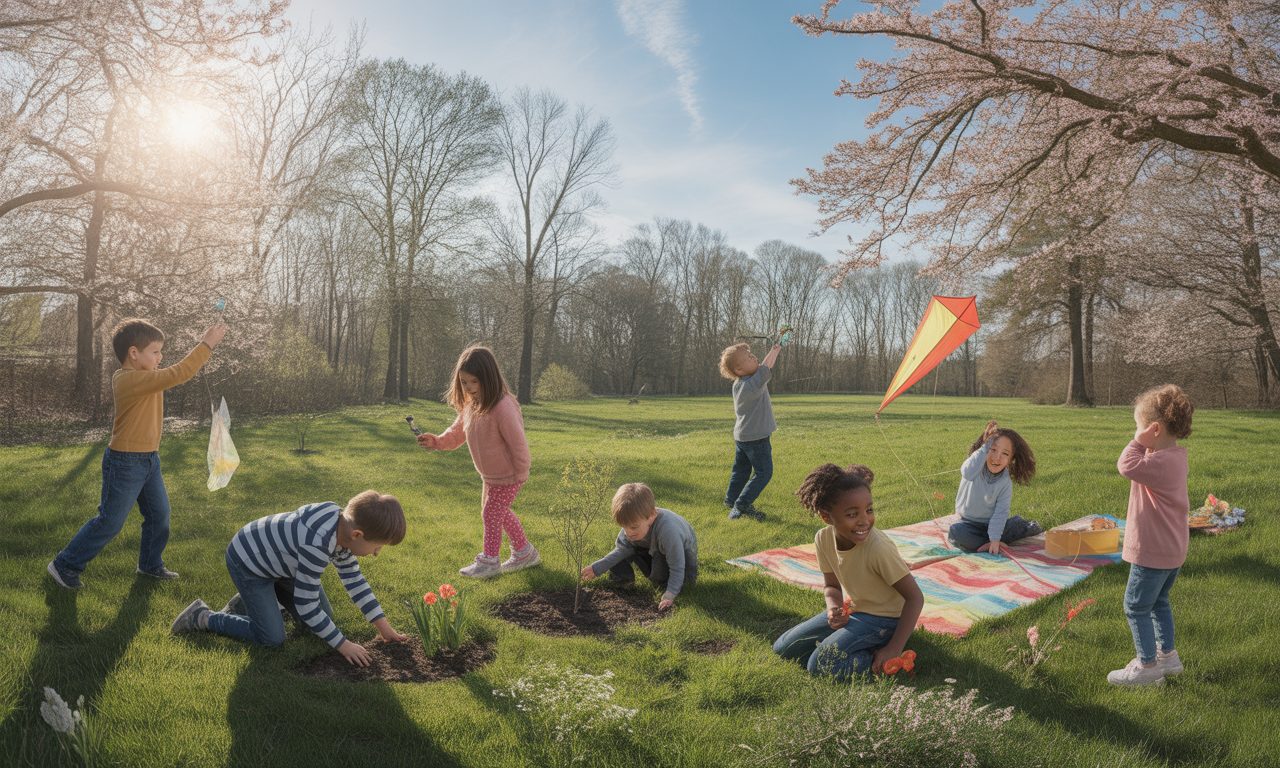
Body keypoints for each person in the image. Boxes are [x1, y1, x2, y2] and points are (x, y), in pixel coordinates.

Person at [48, 318, 227, 589]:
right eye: (155, 352)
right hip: (125, 462)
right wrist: (206, 344)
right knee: (110, 522)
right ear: (134, 353)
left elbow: (173, 373)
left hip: (148, 460)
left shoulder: (147, 378)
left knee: (160, 516)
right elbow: (179, 373)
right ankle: (64, 565)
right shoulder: (129, 380)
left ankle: (150, 564)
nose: (160, 357)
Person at [171, 491, 408, 666]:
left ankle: (249, 602)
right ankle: (202, 617)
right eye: (377, 547)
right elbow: (307, 606)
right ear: (357, 534)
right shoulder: (317, 544)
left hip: (284, 567)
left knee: (322, 621)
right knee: (272, 638)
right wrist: (343, 645)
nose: (376, 553)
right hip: (249, 564)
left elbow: (355, 582)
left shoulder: (343, 528)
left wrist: (384, 629)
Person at [773, 464, 923, 679]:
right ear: (826, 517)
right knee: (785, 648)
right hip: (856, 610)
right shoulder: (823, 539)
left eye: (869, 510)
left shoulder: (877, 548)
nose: (864, 520)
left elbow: (915, 598)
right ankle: (857, 646)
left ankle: (884, 661)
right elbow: (832, 586)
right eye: (852, 514)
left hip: (887, 619)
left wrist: (894, 648)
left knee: (821, 665)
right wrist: (834, 608)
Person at [417, 345, 538, 578]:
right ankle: (524, 552)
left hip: (509, 473)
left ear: (488, 378)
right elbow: (457, 432)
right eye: (464, 382)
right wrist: (438, 442)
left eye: (475, 382)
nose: (470, 388)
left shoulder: (502, 406)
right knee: (497, 512)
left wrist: (521, 472)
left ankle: (490, 562)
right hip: (490, 475)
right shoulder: (471, 406)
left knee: (491, 513)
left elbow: (518, 442)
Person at [1107, 384, 1194, 687]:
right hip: (1172, 551)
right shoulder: (1174, 457)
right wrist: (1145, 442)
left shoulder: (1154, 462)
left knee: (1136, 606)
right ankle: (1168, 657)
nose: (1137, 432)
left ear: (1153, 429)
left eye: (1139, 427)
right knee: (1159, 602)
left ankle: (1147, 666)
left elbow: (1126, 465)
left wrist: (1135, 441)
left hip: (1152, 552)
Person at [580, 482, 698, 610]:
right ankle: (624, 581)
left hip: (682, 563)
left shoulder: (668, 531)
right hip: (652, 549)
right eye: (624, 527)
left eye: (633, 527)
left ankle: (662, 581)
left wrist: (670, 595)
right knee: (623, 550)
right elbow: (621, 550)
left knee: (660, 583)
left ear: (652, 516)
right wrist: (596, 568)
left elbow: (677, 566)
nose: (628, 532)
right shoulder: (634, 524)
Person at [948, 420, 1041, 554]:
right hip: (967, 524)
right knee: (956, 532)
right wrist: (985, 447)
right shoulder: (975, 467)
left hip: (991, 523)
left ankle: (1022, 528)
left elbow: (1000, 512)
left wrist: (995, 539)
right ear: (985, 448)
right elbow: (966, 472)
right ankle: (988, 542)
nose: (997, 458)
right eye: (993, 449)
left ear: (1011, 459)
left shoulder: (1005, 482)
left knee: (1013, 526)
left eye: (1005, 454)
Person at [718, 339, 785, 520]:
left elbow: (761, 368)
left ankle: (730, 500)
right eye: (748, 357)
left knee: (740, 471)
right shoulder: (752, 384)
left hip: (742, 437)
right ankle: (742, 504)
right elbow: (766, 366)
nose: (753, 357)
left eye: (751, 354)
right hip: (757, 439)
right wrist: (775, 349)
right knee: (764, 473)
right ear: (739, 370)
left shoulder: (739, 384)